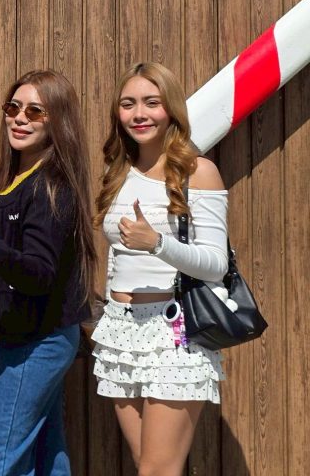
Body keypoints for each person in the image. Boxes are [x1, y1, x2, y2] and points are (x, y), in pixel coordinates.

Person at [0, 69, 96, 476]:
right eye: (13, 107)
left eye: (35, 111)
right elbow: (22, 281)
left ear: (58, 121)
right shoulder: (17, 178)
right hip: (25, 334)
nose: (19, 118)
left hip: (36, 342)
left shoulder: (51, 186)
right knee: (45, 459)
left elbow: (42, 273)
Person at [90, 62, 228, 476]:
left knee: (156, 470)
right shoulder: (116, 173)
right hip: (119, 331)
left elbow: (216, 264)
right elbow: (117, 255)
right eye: (128, 104)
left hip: (174, 332)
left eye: (152, 103)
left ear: (171, 109)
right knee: (146, 466)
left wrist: (158, 243)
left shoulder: (197, 172)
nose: (139, 114)